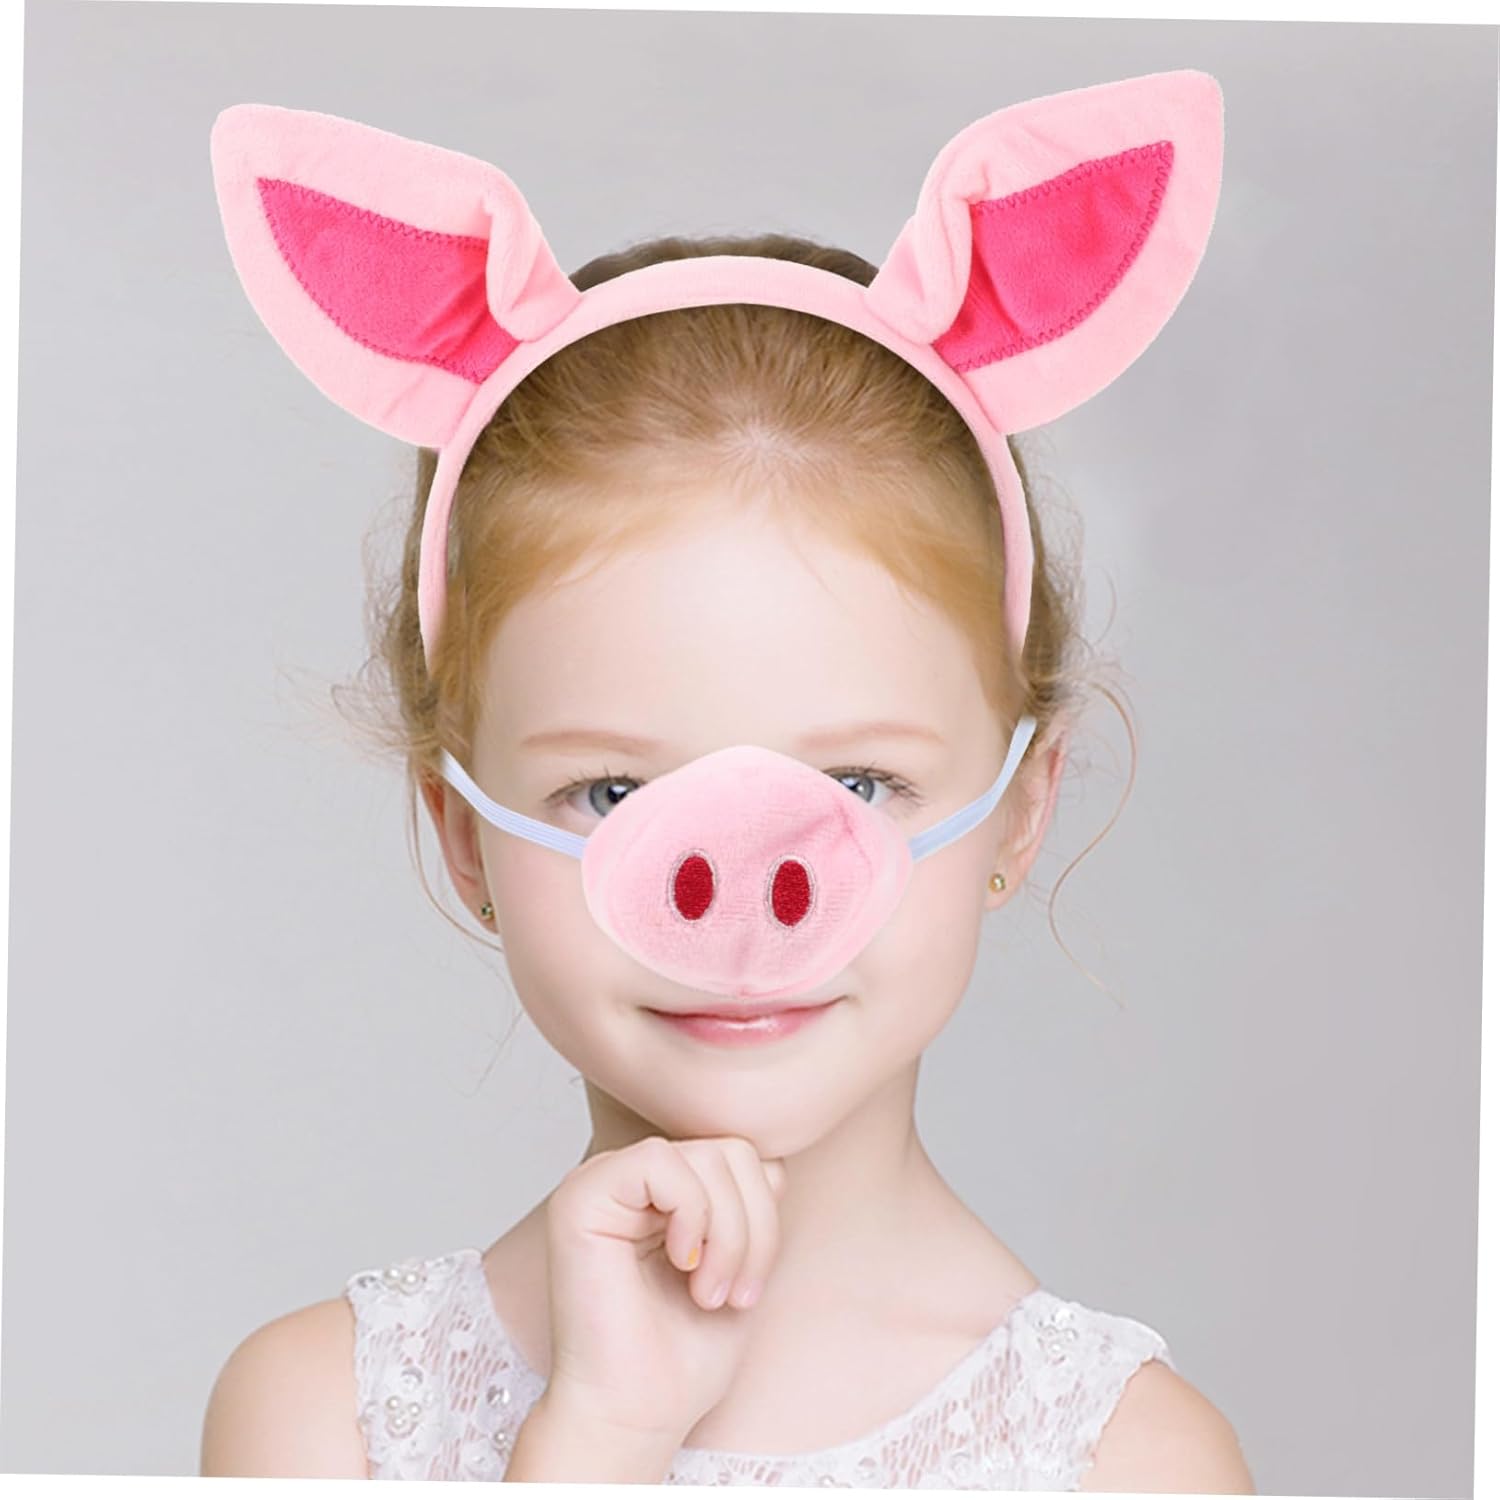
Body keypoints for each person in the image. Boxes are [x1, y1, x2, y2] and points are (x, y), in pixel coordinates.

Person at [199, 75, 1255, 1490]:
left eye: (863, 781)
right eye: (612, 793)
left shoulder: (1130, 1464)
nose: (743, 897)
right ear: (459, 832)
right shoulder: (316, 1422)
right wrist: (595, 1447)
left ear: (1021, 804)